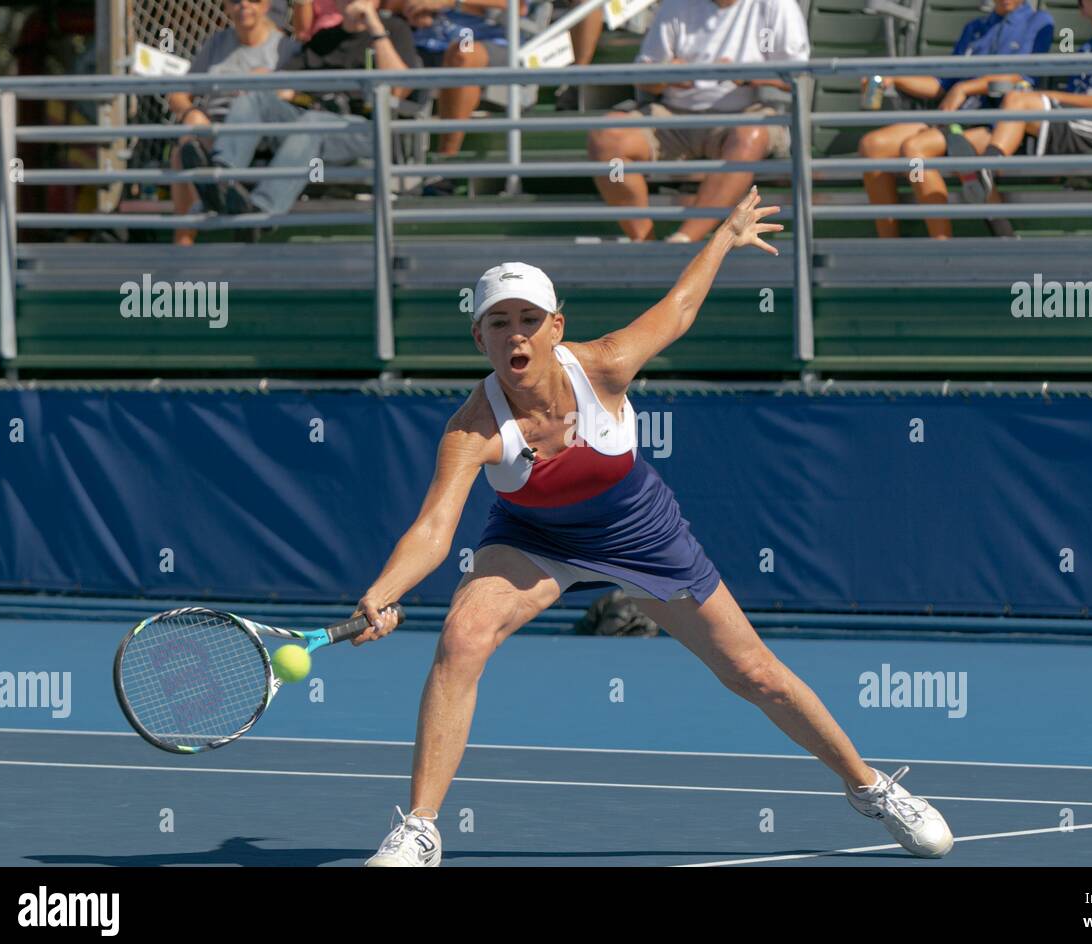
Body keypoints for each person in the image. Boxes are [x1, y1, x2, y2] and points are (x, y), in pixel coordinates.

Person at [349, 187, 955, 866]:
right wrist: (383, 591)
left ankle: (872, 789)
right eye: (498, 322)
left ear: (555, 327)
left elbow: (682, 309)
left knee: (756, 675)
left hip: (641, 535)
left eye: (529, 318)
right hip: (534, 540)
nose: (515, 333)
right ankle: (423, 828)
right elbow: (435, 528)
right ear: (479, 337)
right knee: (461, 638)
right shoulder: (472, 429)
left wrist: (724, 235)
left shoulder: (605, 364)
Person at [588, 0, 809, 243]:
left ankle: (685, 240)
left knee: (750, 135)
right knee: (608, 140)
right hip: (672, 117)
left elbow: (798, 74)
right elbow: (644, 78)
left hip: (745, 113)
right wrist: (667, 75)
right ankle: (644, 241)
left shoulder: (776, 5)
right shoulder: (675, 5)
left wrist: (749, 73)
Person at [182, 0, 421, 222]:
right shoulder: (324, 39)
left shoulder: (393, 29)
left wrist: (373, 24)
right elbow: (284, 83)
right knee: (257, 99)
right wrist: (268, 82)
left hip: (365, 129)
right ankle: (222, 178)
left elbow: (399, 89)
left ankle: (262, 211)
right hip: (312, 122)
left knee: (313, 122)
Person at [857, 0, 1054, 239]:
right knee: (873, 146)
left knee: (915, 152)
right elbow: (942, 84)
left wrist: (965, 89)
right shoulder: (974, 27)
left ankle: (942, 246)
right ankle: (889, 246)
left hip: (995, 123)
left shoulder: (1040, 22)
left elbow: (1022, 78)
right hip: (951, 119)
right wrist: (894, 79)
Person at [955, 0, 1092, 203]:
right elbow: (942, 81)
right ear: (1082, 8)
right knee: (952, 150)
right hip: (1073, 124)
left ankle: (989, 166)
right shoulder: (1088, 48)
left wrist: (1048, 97)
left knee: (1018, 101)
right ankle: (1000, 228)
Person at [166, 0, 299, 245]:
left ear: (266, 5)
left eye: (254, 0)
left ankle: (206, 212)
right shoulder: (217, 43)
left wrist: (267, 85)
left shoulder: (284, 48)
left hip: (257, 131)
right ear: (226, 7)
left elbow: (294, 96)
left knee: (188, 150)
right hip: (213, 125)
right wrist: (189, 112)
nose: (244, 6)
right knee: (186, 142)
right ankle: (185, 242)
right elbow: (178, 94)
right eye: (235, 1)